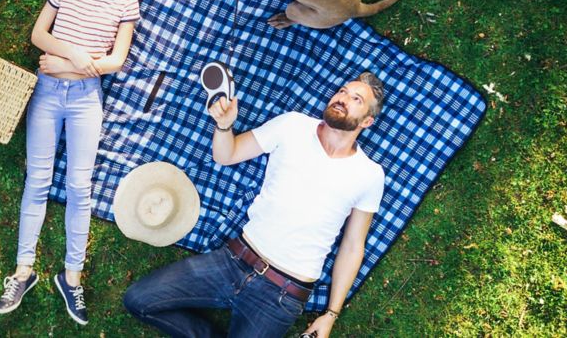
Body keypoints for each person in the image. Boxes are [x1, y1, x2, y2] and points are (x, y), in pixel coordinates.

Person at [120, 73, 389, 337]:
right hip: (231, 261)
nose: (342, 98)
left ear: (367, 121)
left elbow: (353, 246)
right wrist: (224, 126)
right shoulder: (293, 125)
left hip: (281, 294)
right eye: (342, 91)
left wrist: (330, 314)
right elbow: (228, 154)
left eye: (356, 99)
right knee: (138, 299)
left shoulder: (369, 175)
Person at [0, 0, 149, 325]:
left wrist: (64, 63)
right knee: (38, 181)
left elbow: (116, 60)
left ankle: (72, 275)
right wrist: (77, 53)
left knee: (81, 187)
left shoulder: (126, 1)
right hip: (46, 95)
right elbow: (38, 35)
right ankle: (23, 271)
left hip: (85, 99)